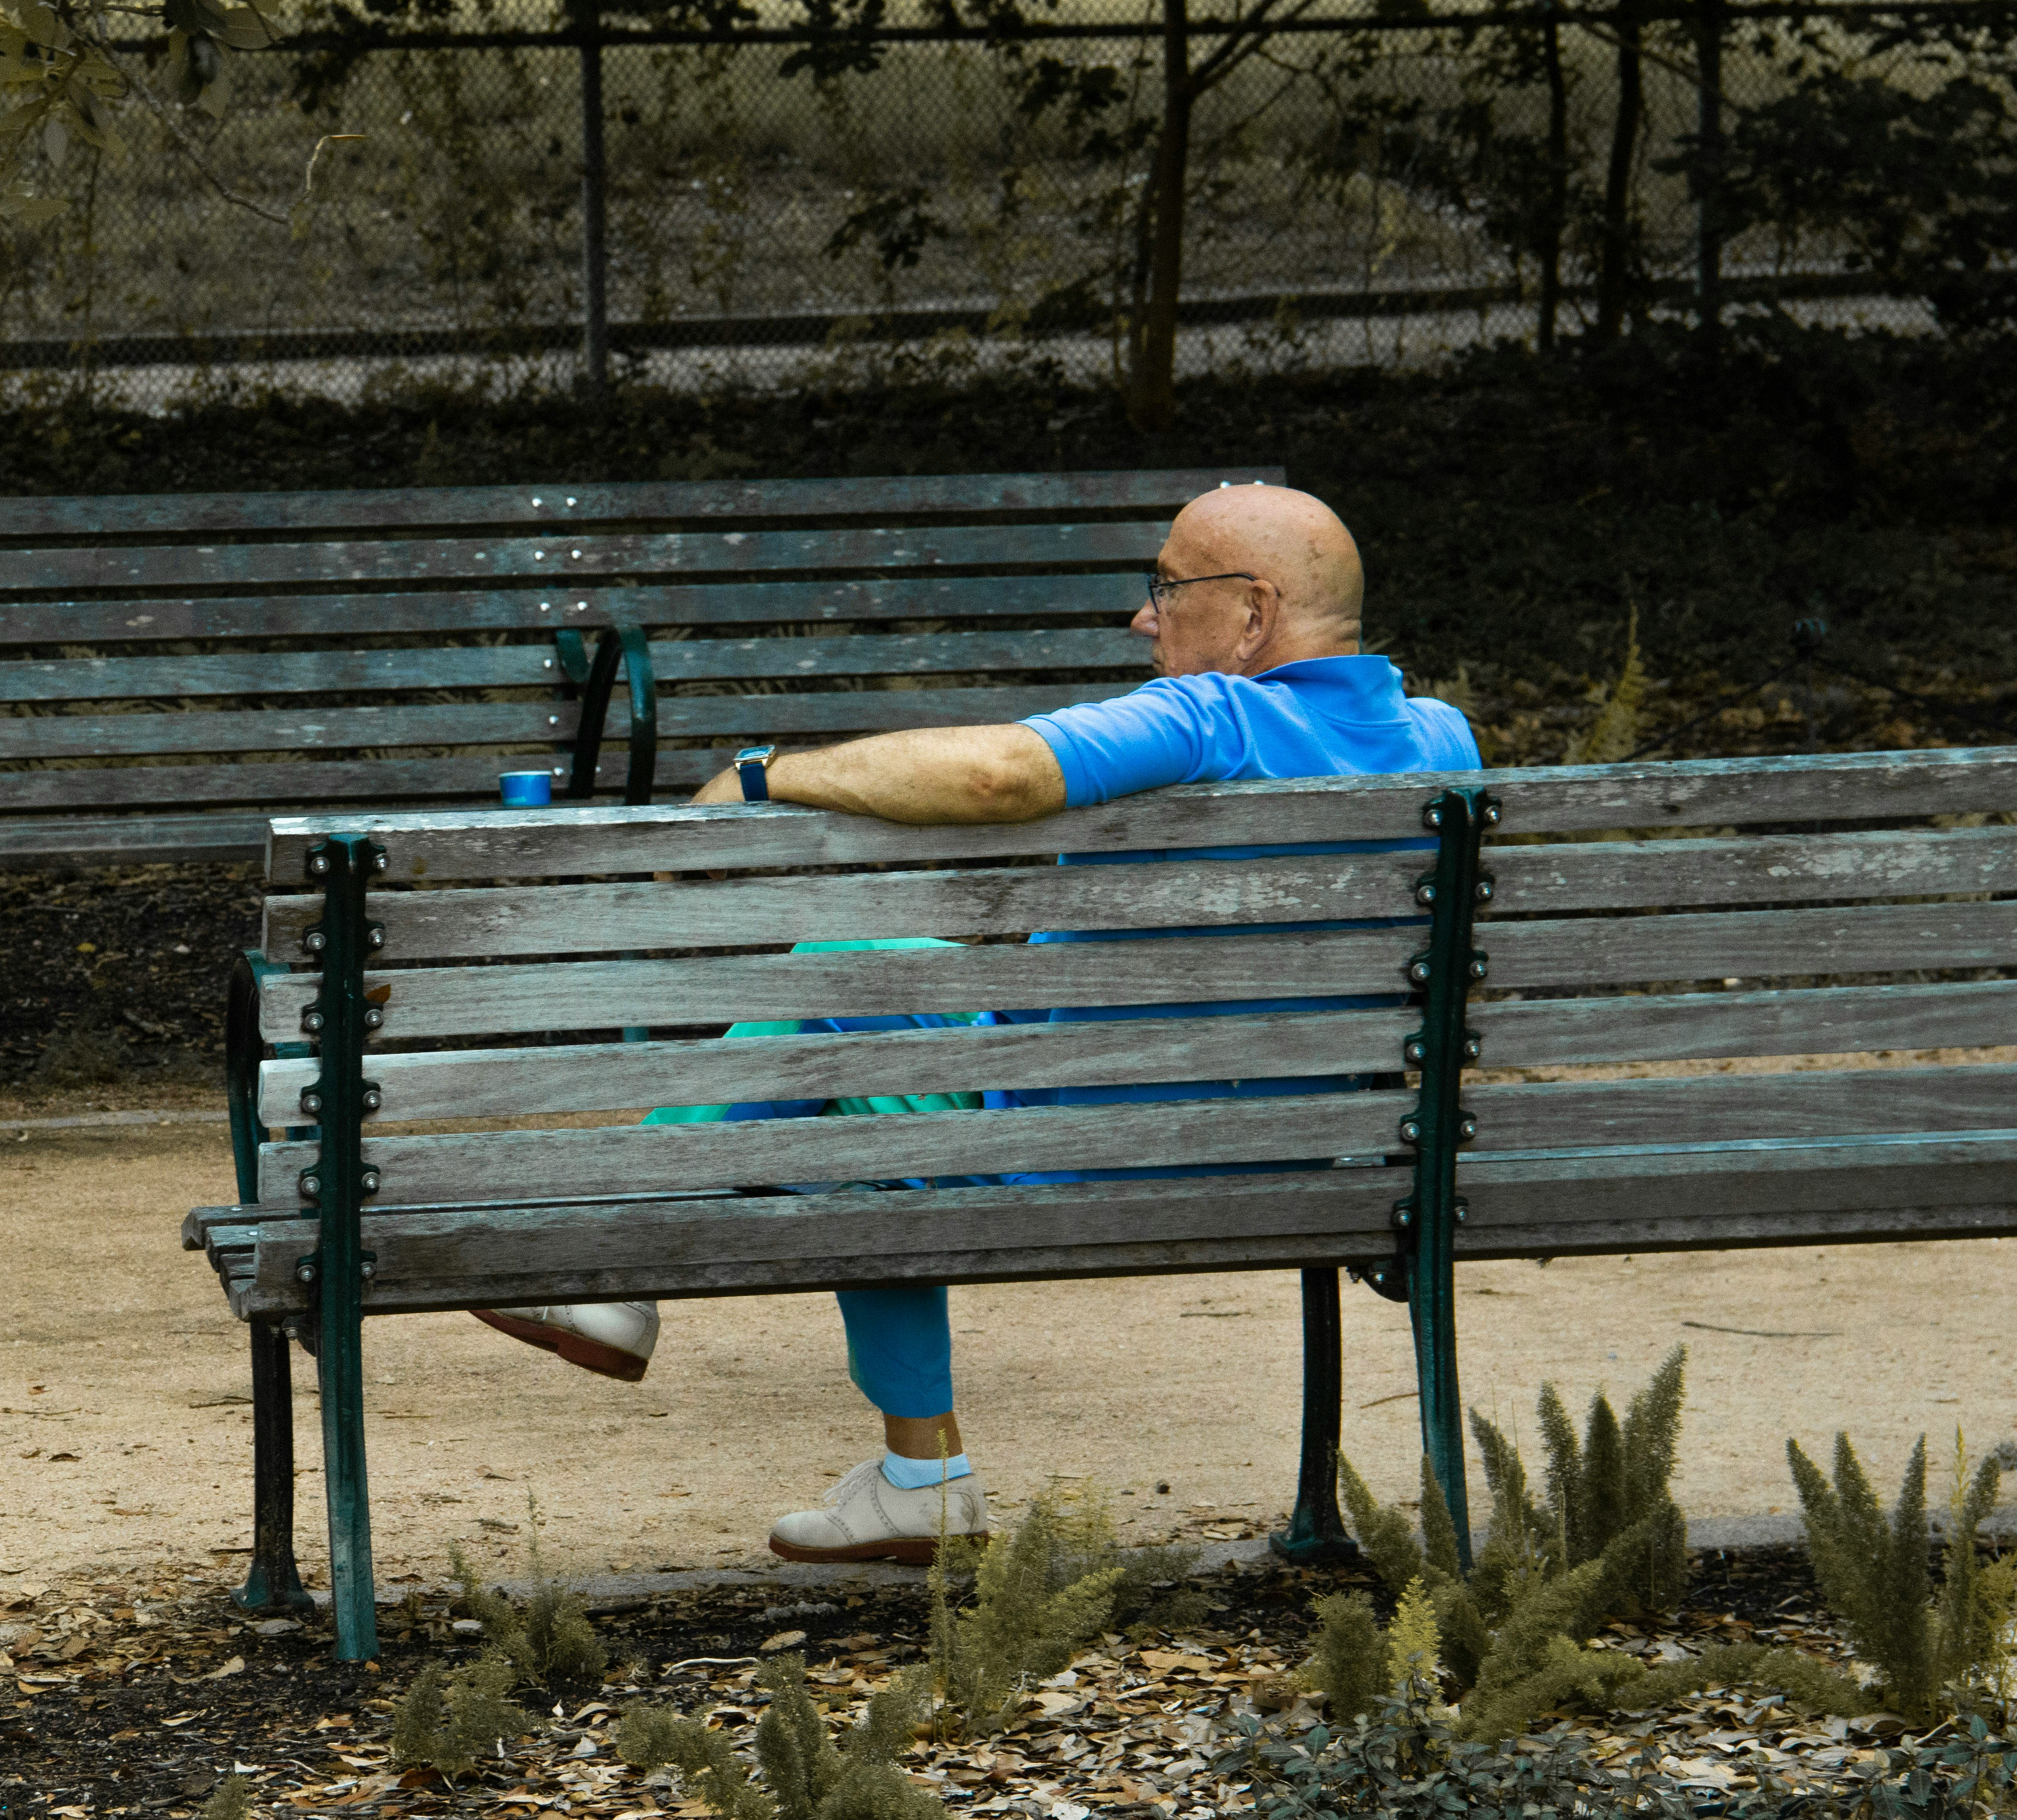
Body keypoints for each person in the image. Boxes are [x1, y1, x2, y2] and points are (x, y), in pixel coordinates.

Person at [474, 482, 1482, 1564]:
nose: (1142, 619)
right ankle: (918, 1479)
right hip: (1343, 1157)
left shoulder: (1209, 717)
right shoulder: (1444, 745)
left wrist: (768, 775)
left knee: (849, 985)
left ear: (1251, 614)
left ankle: (618, 1254)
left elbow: (1001, 772)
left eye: (1164, 588)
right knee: (879, 1049)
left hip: (1090, 1145)